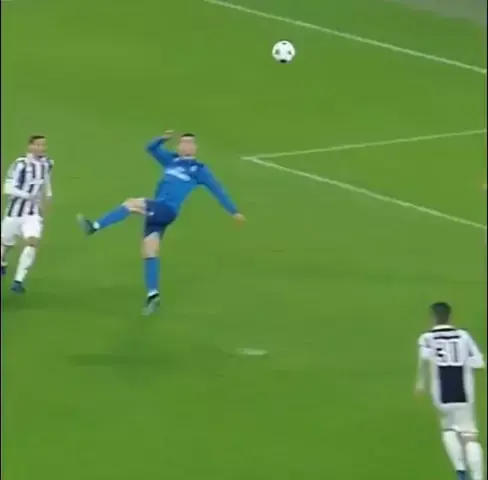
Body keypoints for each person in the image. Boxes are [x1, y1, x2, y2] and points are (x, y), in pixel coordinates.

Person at [78, 131, 245, 314]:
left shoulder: (199, 170)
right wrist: (162, 139)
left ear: (195, 148)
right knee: (149, 250)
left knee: (131, 203)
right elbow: (150, 148)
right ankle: (153, 295)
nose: (187, 145)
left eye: (190, 142)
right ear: (178, 147)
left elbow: (217, 190)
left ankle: (94, 227)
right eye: (183, 142)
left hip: (167, 210)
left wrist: (234, 211)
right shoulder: (171, 161)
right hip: (158, 210)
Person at [415, 302, 485, 480]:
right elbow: (479, 362)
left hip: (441, 395)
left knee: (448, 430)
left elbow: (423, 362)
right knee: (470, 437)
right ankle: (478, 477)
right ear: (450, 317)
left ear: (432, 318)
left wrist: (420, 384)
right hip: (465, 394)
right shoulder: (463, 336)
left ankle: (460, 470)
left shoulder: (427, 338)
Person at [1, 135, 53, 292]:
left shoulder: (47, 163)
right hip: (14, 214)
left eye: (43, 145)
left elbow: (46, 180)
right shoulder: (20, 164)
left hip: (32, 214)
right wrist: (28, 195)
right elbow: (7, 188)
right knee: (6, 245)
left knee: (32, 242)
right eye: (37, 145)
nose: (41, 148)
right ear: (30, 146)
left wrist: (48, 197)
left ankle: (18, 281)